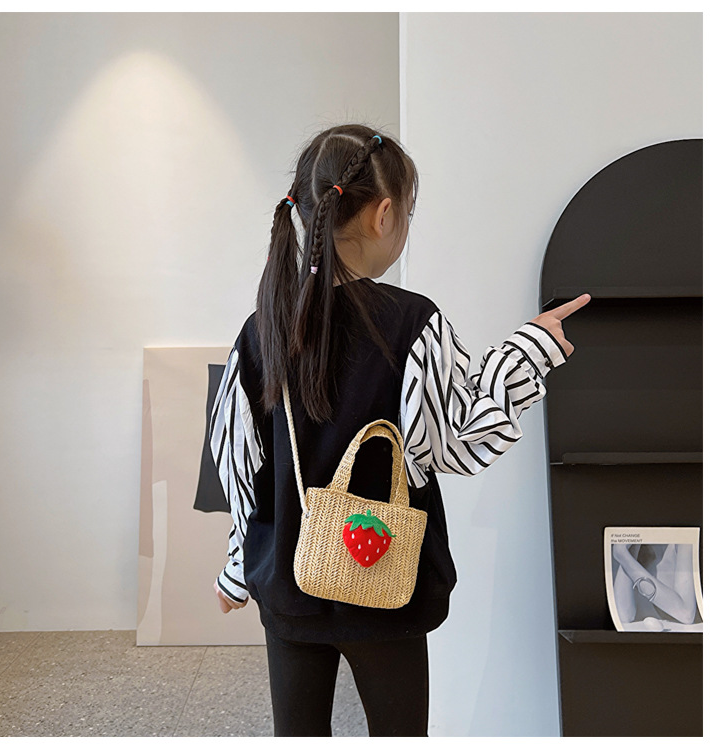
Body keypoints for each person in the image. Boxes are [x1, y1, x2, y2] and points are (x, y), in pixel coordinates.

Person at [208, 123, 590, 736]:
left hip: (288, 586)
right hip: (388, 586)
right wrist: (531, 349)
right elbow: (460, 440)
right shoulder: (411, 323)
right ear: (383, 214)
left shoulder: (263, 328)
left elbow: (238, 461)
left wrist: (236, 566)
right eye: (408, 213)